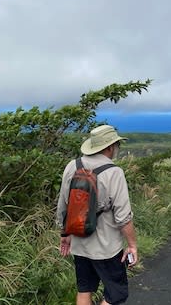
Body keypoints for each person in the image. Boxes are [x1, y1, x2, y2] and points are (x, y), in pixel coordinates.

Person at [57, 124, 138, 305]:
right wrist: (132, 245)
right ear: (110, 147)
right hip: (107, 248)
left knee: (84, 290)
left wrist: (65, 234)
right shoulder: (114, 172)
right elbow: (123, 217)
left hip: (79, 243)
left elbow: (63, 204)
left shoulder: (72, 166)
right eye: (117, 145)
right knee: (116, 294)